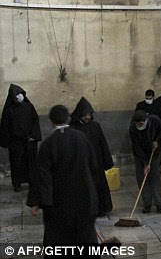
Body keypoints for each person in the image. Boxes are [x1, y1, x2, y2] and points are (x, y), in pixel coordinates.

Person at [27, 105, 99, 251]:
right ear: (68, 118)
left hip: (59, 204)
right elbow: (93, 166)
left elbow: (42, 176)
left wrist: (37, 201)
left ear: (51, 121)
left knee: (59, 240)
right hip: (84, 199)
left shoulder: (48, 144)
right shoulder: (82, 138)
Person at [70, 97, 114, 216]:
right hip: (82, 164)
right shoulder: (73, 128)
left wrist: (107, 162)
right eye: (84, 115)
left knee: (98, 186)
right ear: (79, 115)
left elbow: (103, 143)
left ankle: (100, 209)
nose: (87, 117)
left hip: (97, 163)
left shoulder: (95, 126)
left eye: (89, 114)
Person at [0, 84, 41, 193]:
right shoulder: (8, 110)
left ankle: (32, 182)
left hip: (29, 141)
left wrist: (33, 136)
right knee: (16, 164)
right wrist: (6, 141)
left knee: (31, 163)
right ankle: (17, 184)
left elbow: (35, 121)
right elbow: (4, 127)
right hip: (15, 142)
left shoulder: (29, 106)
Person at [129, 110, 161, 213]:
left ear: (146, 120)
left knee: (154, 176)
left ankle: (159, 204)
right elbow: (136, 146)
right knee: (142, 178)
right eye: (137, 124)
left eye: (141, 123)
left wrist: (156, 140)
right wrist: (145, 163)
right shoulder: (132, 129)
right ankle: (147, 204)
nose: (139, 125)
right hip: (140, 155)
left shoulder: (155, 120)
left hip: (154, 152)